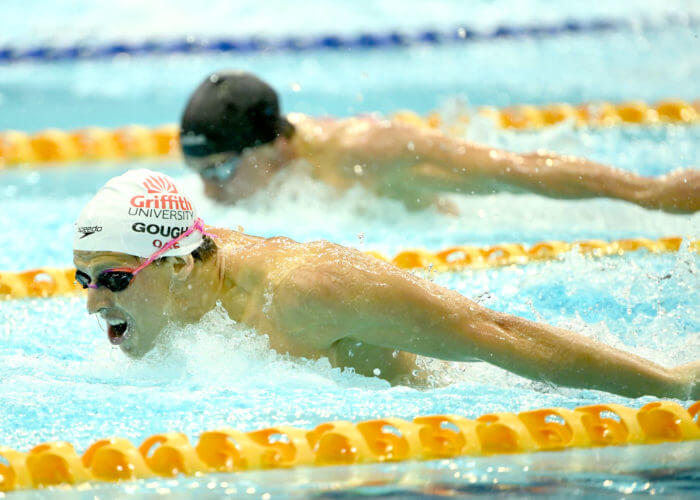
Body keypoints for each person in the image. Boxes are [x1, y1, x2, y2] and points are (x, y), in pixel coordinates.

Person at [73, 169, 699, 399]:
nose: (94, 301)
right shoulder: (186, 276)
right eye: (83, 279)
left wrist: (670, 386)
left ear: (177, 266)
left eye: (114, 280)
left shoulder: (306, 290)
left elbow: (492, 334)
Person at [179, 70, 699, 213]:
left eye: (220, 171)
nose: (210, 191)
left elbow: (515, 168)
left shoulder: (364, 151)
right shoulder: (280, 176)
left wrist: (648, 193)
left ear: (272, 146)